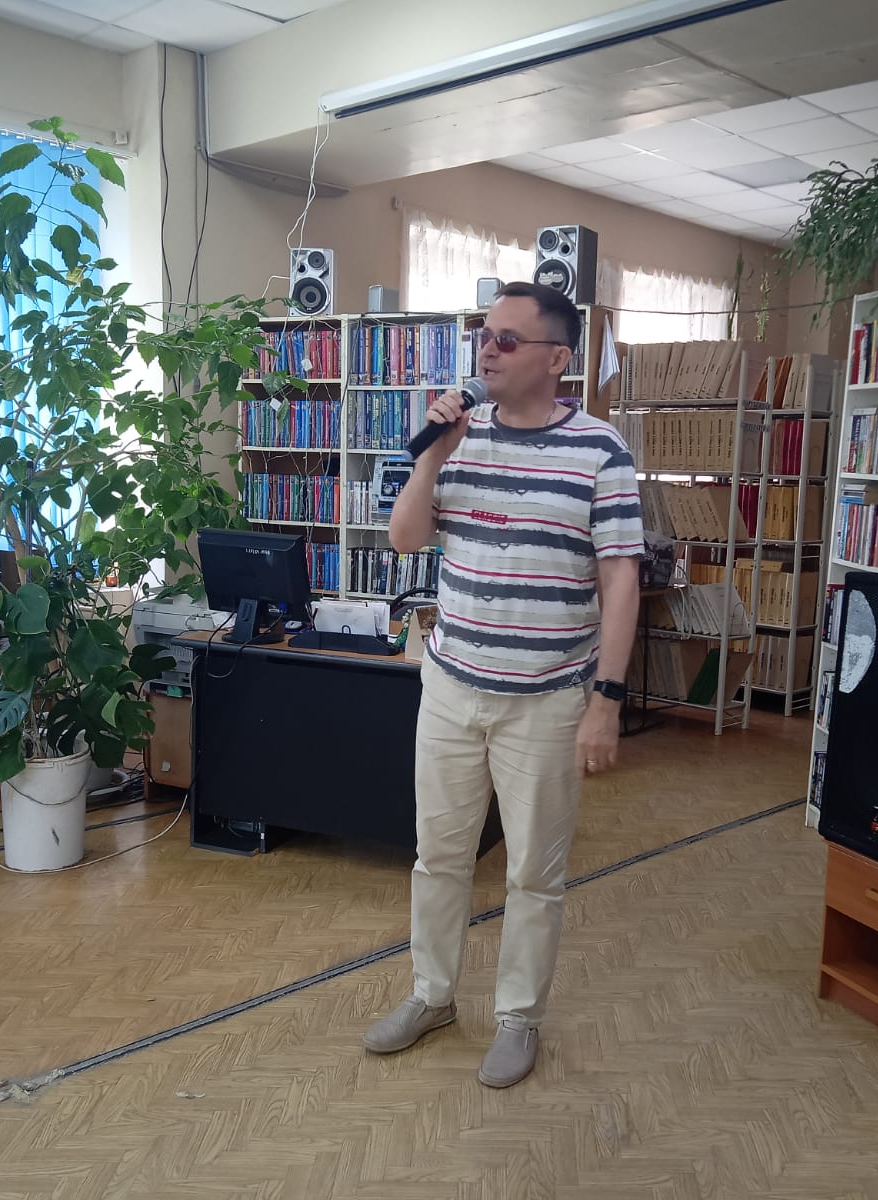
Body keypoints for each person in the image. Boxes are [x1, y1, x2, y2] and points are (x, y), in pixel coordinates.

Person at [362, 281, 643, 1088]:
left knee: (532, 874)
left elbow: (620, 580)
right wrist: (433, 455)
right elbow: (405, 538)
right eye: (484, 336)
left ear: (557, 359)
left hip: (548, 699)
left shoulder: (601, 450)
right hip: (452, 685)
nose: (488, 350)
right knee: (439, 858)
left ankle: (519, 1018)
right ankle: (432, 995)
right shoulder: (460, 436)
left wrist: (606, 701)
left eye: (508, 340)